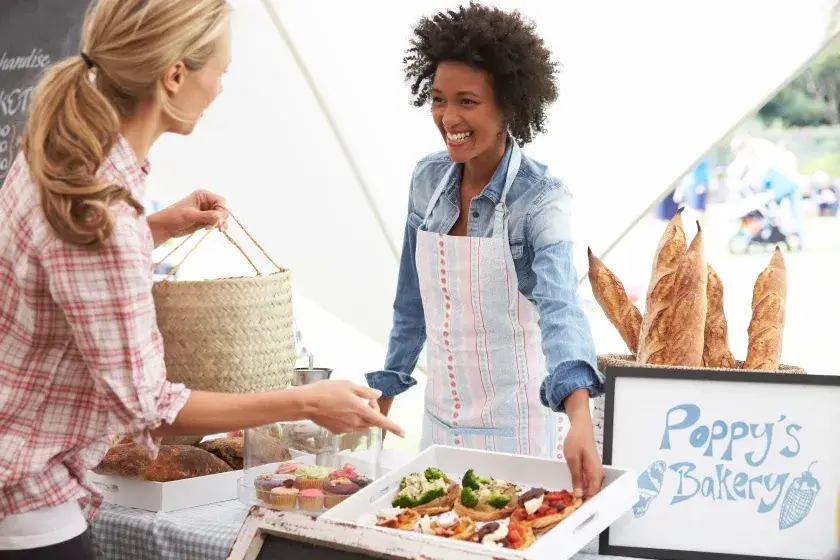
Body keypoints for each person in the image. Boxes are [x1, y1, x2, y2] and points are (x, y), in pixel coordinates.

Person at [0, 1, 402, 557]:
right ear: (173, 76)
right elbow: (152, 411)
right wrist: (307, 401)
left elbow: (60, 269)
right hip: (28, 515)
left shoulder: (60, 155)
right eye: (221, 71)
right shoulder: (101, 215)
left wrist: (156, 228)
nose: (219, 89)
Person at [367, 3, 605, 500]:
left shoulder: (541, 199)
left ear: (508, 107)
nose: (448, 117)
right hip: (438, 428)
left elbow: (563, 307)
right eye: (437, 99)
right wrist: (386, 389)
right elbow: (411, 303)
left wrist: (580, 416)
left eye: (467, 102)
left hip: (519, 435)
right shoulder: (426, 179)